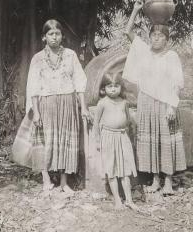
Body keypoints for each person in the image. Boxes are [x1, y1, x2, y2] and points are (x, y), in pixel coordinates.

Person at [123, 1, 186, 197]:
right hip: (146, 102)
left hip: (164, 104)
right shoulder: (143, 52)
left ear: (167, 40)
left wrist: (172, 107)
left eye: (160, 36)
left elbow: (176, 84)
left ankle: (168, 182)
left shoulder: (172, 57)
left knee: (165, 141)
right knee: (150, 141)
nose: (156, 39)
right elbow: (127, 32)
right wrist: (135, 10)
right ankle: (155, 181)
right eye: (153, 35)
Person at [25, 19, 88, 193]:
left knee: (65, 141)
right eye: (50, 34)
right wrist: (36, 111)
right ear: (44, 37)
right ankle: (46, 179)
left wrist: (83, 106)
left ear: (62, 36)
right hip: (46, 104)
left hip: (67, 102)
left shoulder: (70, 55)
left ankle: (63, 182)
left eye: (57, 33)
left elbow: (79, 81)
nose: (54, 37)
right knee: (45, 141)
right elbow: (33, 86)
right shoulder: (37, 58)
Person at [93, 72, 138, 210]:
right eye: (109, 86)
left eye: (116, 86)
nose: (113, 89)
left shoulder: (124, 103)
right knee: (111, 169)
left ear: (121, 87)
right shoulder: (102, 103)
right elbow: (96, 123)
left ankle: (129, 200)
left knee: (125, 170)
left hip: (122, 137)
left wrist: (129, 136)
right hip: (108, 138)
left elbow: (129, 121)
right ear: (103, 89)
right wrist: (98, 141)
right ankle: (118, 200)